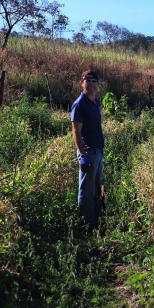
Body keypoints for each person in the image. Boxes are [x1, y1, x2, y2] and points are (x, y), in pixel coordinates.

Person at [71, 70, 105, 230]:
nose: (91, 84)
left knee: (97, 188)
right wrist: (83, 155)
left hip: (98, 151)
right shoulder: (80, 104)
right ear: (81, 82)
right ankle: (87, 227)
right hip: (88, 152)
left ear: (97, 84)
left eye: (93, 81)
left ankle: (98, 222)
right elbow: (76, 131)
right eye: (87, 80)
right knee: (86, 191)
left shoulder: (95, 101)